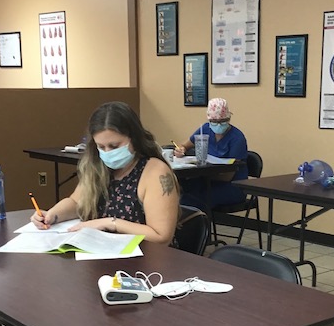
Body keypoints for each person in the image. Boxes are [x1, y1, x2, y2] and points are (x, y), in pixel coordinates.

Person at [31, 101, 179, 245]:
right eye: (101, 146)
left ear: (134, 139)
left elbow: (161, 236)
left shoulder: (155, 172)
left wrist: (109, 223)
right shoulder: (97, 166)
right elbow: (76, 202)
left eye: (114, 146)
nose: (107, 153)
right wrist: (52, 215)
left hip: (147, 260)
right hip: (104, 253)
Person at [173, 98, 248, 208]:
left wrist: (199, 174)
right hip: (208, 180)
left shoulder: (237, 139)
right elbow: (184, 145)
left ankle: (196, 223)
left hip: (232, 186)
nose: (218, 125)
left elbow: (227, 176)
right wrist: (181, 149)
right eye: (214, 122)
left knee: (192, 198)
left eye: (222, 121)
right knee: (180, 189)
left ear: (229, 118)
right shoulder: (205, 129)